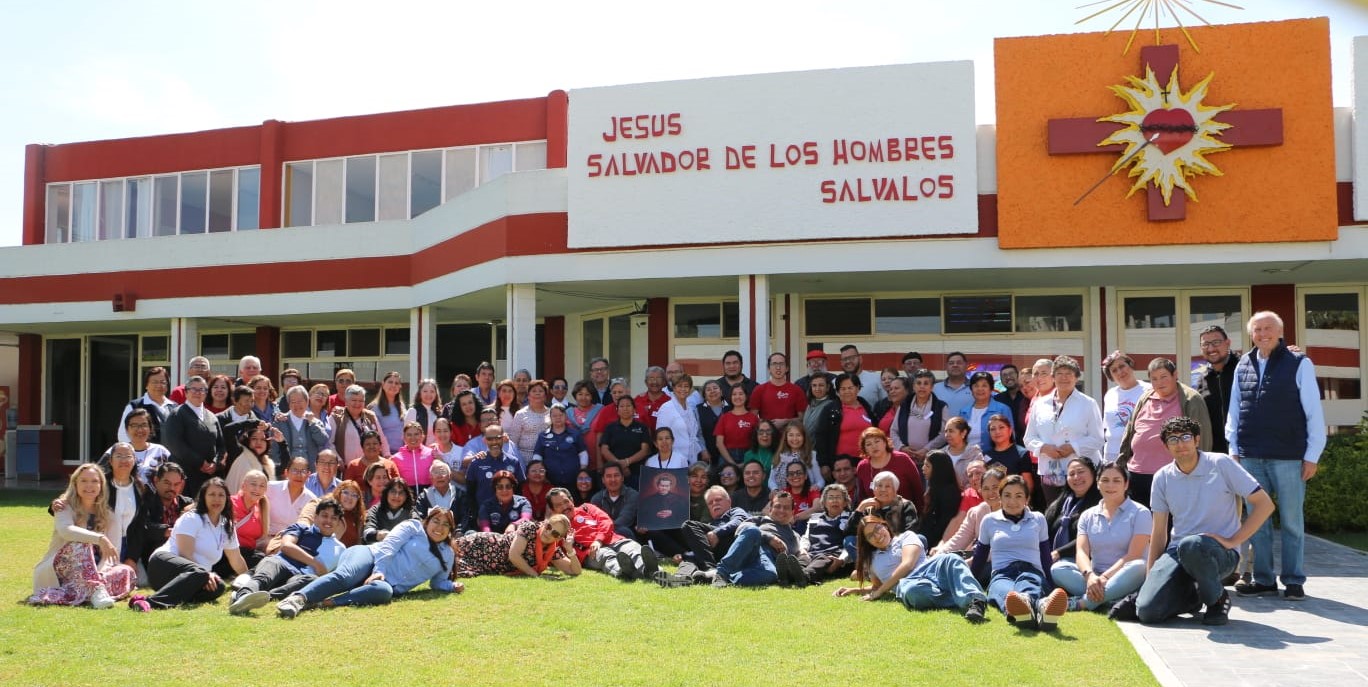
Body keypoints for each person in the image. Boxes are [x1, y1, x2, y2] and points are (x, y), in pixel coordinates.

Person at [1136, 416, 1276, 625]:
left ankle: (1217, 600)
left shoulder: (1221, 463)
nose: (1180, 444)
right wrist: (1151, 579)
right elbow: (1158, 533)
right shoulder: (1162, 477)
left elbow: (1265, 504)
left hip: (1220, 553)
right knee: (1147, 611)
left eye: (1185, 437)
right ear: (1166, 446)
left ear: (1196, 440)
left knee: (1192, 545)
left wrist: (1233, 541)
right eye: (1173, 439)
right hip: (1178, 552)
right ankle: (1192, 597)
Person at [1226, 311, 1325, 600]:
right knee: (1258, 522)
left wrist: (1312, 455)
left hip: (1288, 456)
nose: (1263, 333)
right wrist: (1234, 449)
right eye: (1257, 329)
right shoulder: (1243, 364)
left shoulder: (1300, 363)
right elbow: (1235, 409)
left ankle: (1293, 580)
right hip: (1250, 456)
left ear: (1280, 332)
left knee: (1292, 521)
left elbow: (1313, 412)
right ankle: (1264, 580)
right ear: (1251, 334)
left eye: (1268, 328)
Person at [276, 508, 462, 617]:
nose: (439, 527)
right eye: (436, 521)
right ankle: (298, 598)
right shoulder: (413, 527)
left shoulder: (447, 554)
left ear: (450, 530)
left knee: (384, 592)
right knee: (345, 577)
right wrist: (379, 570)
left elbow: (437, 582)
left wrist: (451, 586)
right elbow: (388, 546)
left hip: (385, 583)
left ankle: (325, 603)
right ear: (427, 521)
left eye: (445, 524)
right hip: (370, 556)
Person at [834, 514, 990, 622]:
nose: (877, 535)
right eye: (870, 536)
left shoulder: (907, 536)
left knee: (951, 558)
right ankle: (960, 597)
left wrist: (879, 592)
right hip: (910, 585)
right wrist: (853, 590)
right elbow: (877, 587)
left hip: (930, 570)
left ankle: (976, 601)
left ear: (884, 525)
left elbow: (907, 565)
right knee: (912, 592)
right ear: (867, 541)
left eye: (877, 528)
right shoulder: (872, 561)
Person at [130, 477, 250, 611]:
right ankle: (149, 602)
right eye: (211, 494)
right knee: (201, 574)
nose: (216, 499)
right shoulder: (192, 518)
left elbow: (236, 559)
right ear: (203, 498)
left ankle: (159, 597)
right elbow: (185, 554)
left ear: (227, 499)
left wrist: (250, 581)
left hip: (195, 576)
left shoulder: (227, 525)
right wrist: (205, 574)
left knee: (219, 587)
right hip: (162, 565)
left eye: (221, 495)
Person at [969, 475, 1068, 631]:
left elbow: (1045, 555)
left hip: (1031, 570)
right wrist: (971, 583)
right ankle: (1040, 607)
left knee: (1029, 584)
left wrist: (1050, 585)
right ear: (1000, 498)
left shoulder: (1038, 519)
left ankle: (1028, 609)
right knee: (1004, 591)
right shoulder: (989, 521)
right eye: (1007, 495)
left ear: (1027, 499)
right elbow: (980, 556)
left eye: (1018, 496)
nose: (1012, 501)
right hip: (1002, 573)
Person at [30, 464, 137, 609]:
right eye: (84, 481)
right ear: (75, 484)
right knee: (81, 544)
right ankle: (94, 590)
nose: (89, 485)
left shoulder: (110, 515)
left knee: (126, 571)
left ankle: (85, 591)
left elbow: (111, 555)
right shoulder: (63, 506)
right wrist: (100, 538)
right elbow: (66, 531)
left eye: (94, 481)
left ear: (101, 485)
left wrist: (99, 573)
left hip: (94, 572)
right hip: (62, 569)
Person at [1050, 461, 1151, 613]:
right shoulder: (1087, 515)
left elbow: (1133, 555)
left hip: (1125, 574)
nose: (1110, 485)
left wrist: (1104, 578)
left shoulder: (1140, 512)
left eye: (1116, 480)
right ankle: (1109, 598)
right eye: (1105, 480)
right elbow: (1081, 552)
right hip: (1094, 576)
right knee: (1058, 568)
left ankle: (1082, 603)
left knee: (1140, 566)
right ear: (1097, 484)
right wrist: (1090, 576)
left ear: (1126, 484)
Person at [1118, 358, 1213, 509]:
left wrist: (1197, 474)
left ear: (1175, 375)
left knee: (1168, 521)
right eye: (1154, 379)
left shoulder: (1191, 399)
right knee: (1141, 521)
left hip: (1173, 476)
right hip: (1137, 474)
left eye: (1163, 377)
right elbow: (1130, 432)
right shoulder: (1145, 397)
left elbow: (1202, 439)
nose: (1159, 382)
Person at [228, 497, 347, 615]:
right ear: (315, 517)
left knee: (312, 581)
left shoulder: (341, 549)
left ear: (338, 523)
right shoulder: (301, 528)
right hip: (280, 562)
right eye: (324, 516)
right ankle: (242, 596)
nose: (328, 521)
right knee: (265, 575)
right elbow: (286, 546)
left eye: (334, 518)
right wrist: (315, 563)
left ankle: (262, 597)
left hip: (299, 576)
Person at [1023, 355, 1105, 503]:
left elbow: (1097, 439)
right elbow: (1029, 438)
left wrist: (1073, 447)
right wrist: (1044, 448)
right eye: (1060, 373)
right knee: (1055, 512)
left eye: (1069, 374)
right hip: (1050, 472)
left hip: (1081, 472)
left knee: (1082, 512)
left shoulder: (1088, 403)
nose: (1064, 378)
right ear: (1053, 377)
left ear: (1076, 377)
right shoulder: (1040, 404)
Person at [693, 491, 806, 588]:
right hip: (750, 551)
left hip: (768, 562)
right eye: (777, 506)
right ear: (770, 509)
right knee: (753, 531)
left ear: (793, 512)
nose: (781, 510)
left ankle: (724, 577)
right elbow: (741, 529)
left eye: (786, 508)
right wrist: (769, 537)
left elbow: (801, 554)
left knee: (771, 575)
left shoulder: (796, 536)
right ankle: (721, 574)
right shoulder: (760, 520)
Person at [548, 487, 658, 580]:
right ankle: (624, 572)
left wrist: (598, 540)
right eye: (558, 505)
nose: (565, 507)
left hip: (613, 540)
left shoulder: (586, 508)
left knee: (632, 548)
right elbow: (548, 547)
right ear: (553, 510)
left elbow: (605, 521)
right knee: (606, 556)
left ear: (571, 500)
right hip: (589, 552)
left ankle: (653, 571)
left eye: (566, 501)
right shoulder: (555, 528)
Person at [455, 515, 581, 579]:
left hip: (487, 564)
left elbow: (575, 571)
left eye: (555, 533)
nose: (548, 533)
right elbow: (514, 555)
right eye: (548, 527)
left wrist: (570, 549)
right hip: (482, 546)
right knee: (450, 555)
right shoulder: (530, 528)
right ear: (545, 523)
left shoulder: (551, 550)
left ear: (558, 538)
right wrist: (535, 575)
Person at [161, 376, 226, 498]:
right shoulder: (177, 415)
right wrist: (200, 463)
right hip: (186, 476)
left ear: (206, 393)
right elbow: (175, 444)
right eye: (194, 389)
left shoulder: (212, 417)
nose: (198, 393)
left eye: (202, 389)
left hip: (209, 477)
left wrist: (215, 463)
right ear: (186, 392)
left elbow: (221, 446)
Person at [931, 464, 1006, 558]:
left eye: (995, 487)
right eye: (986, 489)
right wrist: (937, 557)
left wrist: (969, 562)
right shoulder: (977, 511)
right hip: (978, 560)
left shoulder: (1015, 511)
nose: (990, 493)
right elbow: (960, 539)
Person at [1042, 458, 1102, 576]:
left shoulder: (1100, 504)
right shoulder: (1061, 502)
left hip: (1084, 564)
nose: (1076, 477)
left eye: (1081, 472)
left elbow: (1091, 538)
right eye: (1071, 474)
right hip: (1052, 559)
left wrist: (1059, 553)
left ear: (1093, 474)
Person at [464, 423, 526, 523]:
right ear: (485, 440)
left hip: (509, 517)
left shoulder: (513, 462)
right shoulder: (476, 463)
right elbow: (470, 493)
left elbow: (520, 491)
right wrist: (475, 515)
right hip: (483, 517)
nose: (494, 442)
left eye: (497, 438)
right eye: (490, 439)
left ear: (503, 438)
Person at [1193, 324, 1240, 454]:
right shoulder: (1202, 379)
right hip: (1216, 454)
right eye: (1205, 344)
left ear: (1228, 343)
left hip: (1247, 452)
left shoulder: (1244, 369)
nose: (1211, 348)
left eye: (1216, 342)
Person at [854, 428, 924, 512]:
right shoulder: (862, 466)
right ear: (865, 449)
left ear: (885, 442)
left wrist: (919, 513)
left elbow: (917, 489)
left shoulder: (902, 459)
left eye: (877, 441)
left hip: (905, 513)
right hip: (875, 516)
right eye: (869, 444)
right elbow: (862, 497)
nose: (874, 446)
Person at [798, 484, 853, 584]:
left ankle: (805, 575)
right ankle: (795, 573)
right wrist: (803, 550)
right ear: (824, 502)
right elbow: (806, 538)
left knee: (823, 559)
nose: (834, 500)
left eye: (838, 497)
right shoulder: (815, 518)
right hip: (813, 553)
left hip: (833, 557)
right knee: (803, 558)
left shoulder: (851, 518)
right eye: (830, 497)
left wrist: (842, 560)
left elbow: (851, 544)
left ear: (845, 502)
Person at [1101, 351, 1151, 463]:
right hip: (1111, 455)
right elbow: (1108, 427)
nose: (1120, 372)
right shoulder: (1110, 394)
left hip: (1137, 455)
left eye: (1122, 366)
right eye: (1114, 370)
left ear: (1130, 365)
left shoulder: (1149, 390)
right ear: (1111, 377)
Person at [100, 409, 172, 486]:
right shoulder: (116, 450)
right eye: (134, 425)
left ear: (150, 428)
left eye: (144, 425)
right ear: (127, 429)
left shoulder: (161, 451)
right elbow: (99, 474)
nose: (139, 429)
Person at [141, 463, 193, 565]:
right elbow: (142, 527)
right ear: (156, 481)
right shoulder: (146, 501)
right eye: (167, 483)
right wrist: (166, 531)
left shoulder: (187, 504)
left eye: (176, 484)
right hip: (152, 558)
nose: (172, 488)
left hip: (182, 557)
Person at [890, 370, 948, 462]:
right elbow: (893, 430)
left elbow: (944, 433)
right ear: (913, 386)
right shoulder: (904, 405)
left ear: (932, 387)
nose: (922, 386)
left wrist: (927, 449)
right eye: (918, 383)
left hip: (931, 458)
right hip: (906, 457)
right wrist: (901, 447)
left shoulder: (941, 407)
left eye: (926, 383)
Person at [271, 385, 330, 472]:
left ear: (307, 402)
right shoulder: (280, 421)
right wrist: (279, 469)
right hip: (287, 470)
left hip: (310, 470)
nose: (297, 405)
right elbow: (274, 449)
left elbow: (322, 440)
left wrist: (312, 423)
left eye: (300, 401)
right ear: (289, 404)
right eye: (293, 402)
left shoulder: (315, 421)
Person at [600, 395, 651, 487]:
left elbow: (645, 450)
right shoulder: (610, 428)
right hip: (614, 474)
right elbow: (604, 449)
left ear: (634, 409)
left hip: (636, 473)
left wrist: (627, 462)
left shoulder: (642, 427)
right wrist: (619, 465)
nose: (625, 409)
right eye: (622, 406)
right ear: (617, 410)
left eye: (628, 405)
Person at [533, 405, 588, 489]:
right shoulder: (543, 436)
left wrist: (582, 472)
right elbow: (537, 456)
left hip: (573, 480)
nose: (558, 418)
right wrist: (541, 475)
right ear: (550, 417)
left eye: (561, 415)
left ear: (566, 416)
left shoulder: (575, 434)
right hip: (550, 481)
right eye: (554, 416)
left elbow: (583, 454)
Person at [332, 385, 390, 463]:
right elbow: (329, 443)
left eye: (361, 401)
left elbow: (382, 439)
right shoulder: (336, 417)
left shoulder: (371, 416)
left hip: (370, 466)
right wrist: (338, 460)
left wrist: (387, 456)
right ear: (346, 401)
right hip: (345, 466)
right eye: (354, 400)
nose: (357, 403)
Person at [118, 366, 176, 444]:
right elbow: (123, 436)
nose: (159, 385)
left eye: (163, 382)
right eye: (155, 382)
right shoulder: (134, 406)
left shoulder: (174, 407)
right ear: (146, 385)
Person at [957, 371, 1013, 452]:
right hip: (967, 456)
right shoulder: (963, 412)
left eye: (984, 385)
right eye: (976, 386)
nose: (980, 389)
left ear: (991, 389)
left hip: (995, 457)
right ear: (971, 389)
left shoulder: (1002, 409)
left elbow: (1011, 437)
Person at [655, 372, 703, 464]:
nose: (683, 389)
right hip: (673, 459)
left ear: (690, 389)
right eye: (679, 386)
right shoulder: (666, 408)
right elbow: (660, 436)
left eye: (686, 386)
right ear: (673, 388)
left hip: (691, 458)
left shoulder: (690, 408)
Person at [919, 450, 964, 548]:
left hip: (938, 543)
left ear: (938, 469)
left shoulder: (949, 492)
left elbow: (944, 523)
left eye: (927, 466)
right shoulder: (933, 487)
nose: (923, 468)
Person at [751, 352, 807, 430]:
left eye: (781, 364)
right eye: (774, 364)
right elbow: (752, 418)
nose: (778, 367)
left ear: (787, 368)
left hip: (789, 435)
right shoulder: (759, 390)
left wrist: (786, 421)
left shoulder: (797, 390)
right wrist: (768, 425)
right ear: (769, 368)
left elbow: (803, 418)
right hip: (767, 434)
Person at [802, 373, 842, 481]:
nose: (817, 388)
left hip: (823, 457)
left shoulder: (832, 406)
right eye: (814, 385)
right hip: (808, 455)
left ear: (828, 387)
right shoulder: (810, 405)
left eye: (821, 385)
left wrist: (825, 462)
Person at [266, 456, 318, 538]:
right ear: (286, 472)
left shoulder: (312, 499)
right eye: (294, 470)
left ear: (308, 475)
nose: (299, 475)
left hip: (293, 541)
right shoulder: (270, 487)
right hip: (267, 538)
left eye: (303, 471)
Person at [713, 385, 759, 475]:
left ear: (746, 396)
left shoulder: (753, 418)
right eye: (734, 394)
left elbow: (757, 442)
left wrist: (746, 461)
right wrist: (732, 463)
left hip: (748, 456)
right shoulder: (724, 417)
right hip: (727, 456)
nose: (737, 397)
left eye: (741, 394)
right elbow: (719, 443)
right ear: (730, 397)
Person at [224, 421, 278, 493]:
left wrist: (282, 443)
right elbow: (228, 429)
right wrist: (257, 422)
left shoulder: (267, 464)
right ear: (247, 441)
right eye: (254, 438)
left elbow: (283, 466)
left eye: (262, 439)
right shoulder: (239, 453)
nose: (258, 442)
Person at [769, 423, 824, 491]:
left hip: (805, 495)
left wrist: (816, 487)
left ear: (804, 437)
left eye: (798, 435)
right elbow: (771, 481)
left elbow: (820, 481)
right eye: (791, 435)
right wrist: (775, 489)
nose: (795, 438)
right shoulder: (780, 456)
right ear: (786, 437)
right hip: (782, 496)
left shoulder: (810, 455)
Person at [590, 464, 639, 539]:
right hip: (602, 539)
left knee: (624, 531)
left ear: (622, 478)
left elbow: (624, 520)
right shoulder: (597, 498)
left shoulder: (632, 495)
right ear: (603, 480)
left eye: (616, 475)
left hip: (626, 538)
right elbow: (593, 523)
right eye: (609, 476)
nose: (613, 479)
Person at [509, 379, 553, 458]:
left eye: (540, 391)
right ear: (528, 396)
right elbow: (513, 440)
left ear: (545, 396)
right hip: (525, 457)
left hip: (547, 456)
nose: (537, 393)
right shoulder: (520, 414)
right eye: (534, 391)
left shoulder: (552, 413)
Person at [366, 477, 418, 542]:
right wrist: (379, 535)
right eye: (393, 491)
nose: (397, 496)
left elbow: (418, 528)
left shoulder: (411, 511)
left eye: (401, 493)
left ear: (406, 496)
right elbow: (368, 533)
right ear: (386, 493)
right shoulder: (375, 510)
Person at [696, 379, 729, 476]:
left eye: (715, 388)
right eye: (708, 389)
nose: (712, 391)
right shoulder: (698, 409)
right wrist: (703, 450)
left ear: (721, 391)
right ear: (704, 394)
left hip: (728, 454)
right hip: (707, 455)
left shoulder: (730, 408)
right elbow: (698, 433)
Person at [982, 414, 1030, 479]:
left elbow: (1027, 483)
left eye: (1001, 427)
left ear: (1010, 430)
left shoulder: (1022, 453)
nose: (997, 432)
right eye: (993, 429)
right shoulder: (985, 455)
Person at [370, 371, 408, 451]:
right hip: (385, 454)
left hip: (402, 453)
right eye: (390, 382)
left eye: (397, 383)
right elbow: (372, 435)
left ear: (400, 387)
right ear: (383, 384)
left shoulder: (401, 406)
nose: (393, 385)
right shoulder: (374, 408)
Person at [392, 420, 436, 489]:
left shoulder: (431, 453)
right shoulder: (395, 458)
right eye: (409, 435)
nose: (413, 438)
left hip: (428, 493)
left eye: (416, 434)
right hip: (406, 493)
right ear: (404, 438)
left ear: (422, 436)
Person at [993, 364, 1030, 445]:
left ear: (1018, 375)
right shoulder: (997, 399)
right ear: (1001, 380)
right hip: (1006, 445)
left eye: (1011, 373)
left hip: (1029, 444)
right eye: (1004, 375)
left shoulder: (1027, 395)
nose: (1008, 377)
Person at [933, 351, 973, 419]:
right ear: (946, 367)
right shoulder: (935, 388)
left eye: (959, 363)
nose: (955, 365)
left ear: (966, 366)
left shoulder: (975, 388)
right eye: (951, 363)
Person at [403, 378, 443, 444]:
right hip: (416, 449)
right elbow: (406, 437)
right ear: (420, 393)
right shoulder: (413, 411)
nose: (428, 394)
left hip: (434, 450)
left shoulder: (438, 413)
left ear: (436, 394)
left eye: (432, 391)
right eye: (425, 391)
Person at [634, 366, 670, 433]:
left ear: (664, 382)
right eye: (651, 378)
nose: (655, 382)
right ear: (646, 382)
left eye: (658, 378)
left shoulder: (669, 402)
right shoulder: (637, 400)